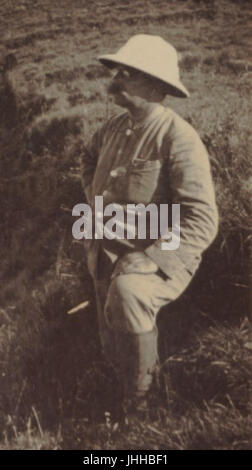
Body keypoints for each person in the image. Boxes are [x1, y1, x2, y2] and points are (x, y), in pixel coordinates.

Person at [80, 34, 218, 417]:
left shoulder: (179, 138)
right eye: (116, 72)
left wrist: (153, 257)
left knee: (129, 293)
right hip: (107, 252)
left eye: (128, 74)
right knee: (111, 343)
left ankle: (144, 412)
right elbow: (87, 157)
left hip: (159, 258)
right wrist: (95, 201)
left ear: (156, 86)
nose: (115, 81)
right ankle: (118, 395)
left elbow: (202, 220)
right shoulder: (111, 128)